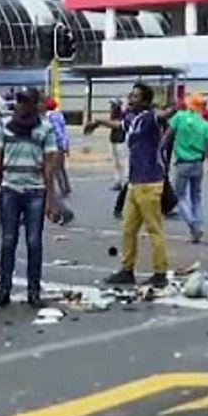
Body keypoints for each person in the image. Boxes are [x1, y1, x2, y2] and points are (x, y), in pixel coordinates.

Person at [0, 87, 59, 307]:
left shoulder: (45, 129)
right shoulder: (5, 126)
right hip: (10, 189)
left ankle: (33, 291)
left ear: (33, 105)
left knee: (34, 242)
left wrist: (51, 200)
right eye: (19, 101)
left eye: (25, 102)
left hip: (35, 191)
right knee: (8, 241)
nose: (21, 105)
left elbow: (49, 166)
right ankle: (4, 289)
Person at [88, 82, 171, 289]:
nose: (130, 99)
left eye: (135, 97)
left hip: (150, 181)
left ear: (144, 101)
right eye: (130, 96)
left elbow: (162, 115)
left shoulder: (149, 117)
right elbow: (120, 125)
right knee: (128, 228)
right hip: (135, 182)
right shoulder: (132, 118)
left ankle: (160, 273)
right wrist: (98, 121)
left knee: (154, 229)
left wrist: (173, 108)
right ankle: (127, 270)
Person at [166, 92, 208, 244]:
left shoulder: (179, 117)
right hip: (198, 163)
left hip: (183, 162)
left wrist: (160, 152)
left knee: (180, 196)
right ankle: (197, 224)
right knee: (196, 197)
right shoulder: (205, 125)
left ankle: (193, 225)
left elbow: (168, 136)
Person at [108, 99, 127, 191]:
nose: (111, 107)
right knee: (116, 163)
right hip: (113, 140)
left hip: (121, 141)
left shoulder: (122, 115)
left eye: (113, 105)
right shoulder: (113, 115)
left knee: (123, 163)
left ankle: (125, 182)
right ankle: (118, 181)